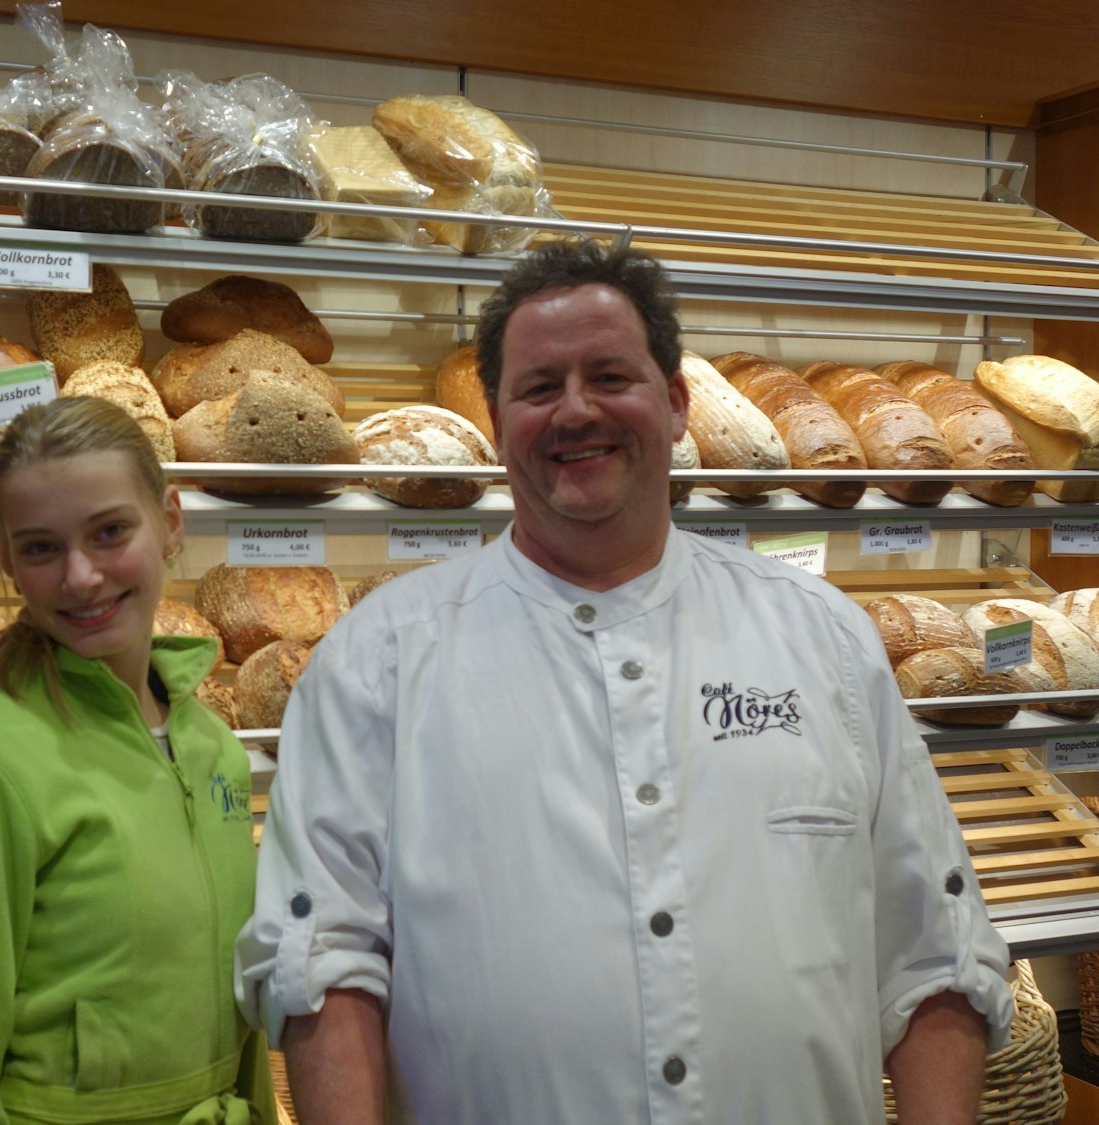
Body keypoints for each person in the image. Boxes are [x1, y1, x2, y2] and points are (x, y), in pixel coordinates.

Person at [237, 240, 1015, 1124]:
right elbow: (321, 963)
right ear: (495, 420)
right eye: (538, 388)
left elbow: (936, 954)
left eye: (611, 376)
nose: (575, 411)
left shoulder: (824, 638)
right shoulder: (377, 660)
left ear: (678, 403)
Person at [0, 396, 274, 1125]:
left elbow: (237, 1019)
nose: (81, 576)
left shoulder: (212, 747)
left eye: (110, 531)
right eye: (40, 547)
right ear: (6, 558)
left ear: (172, 522)